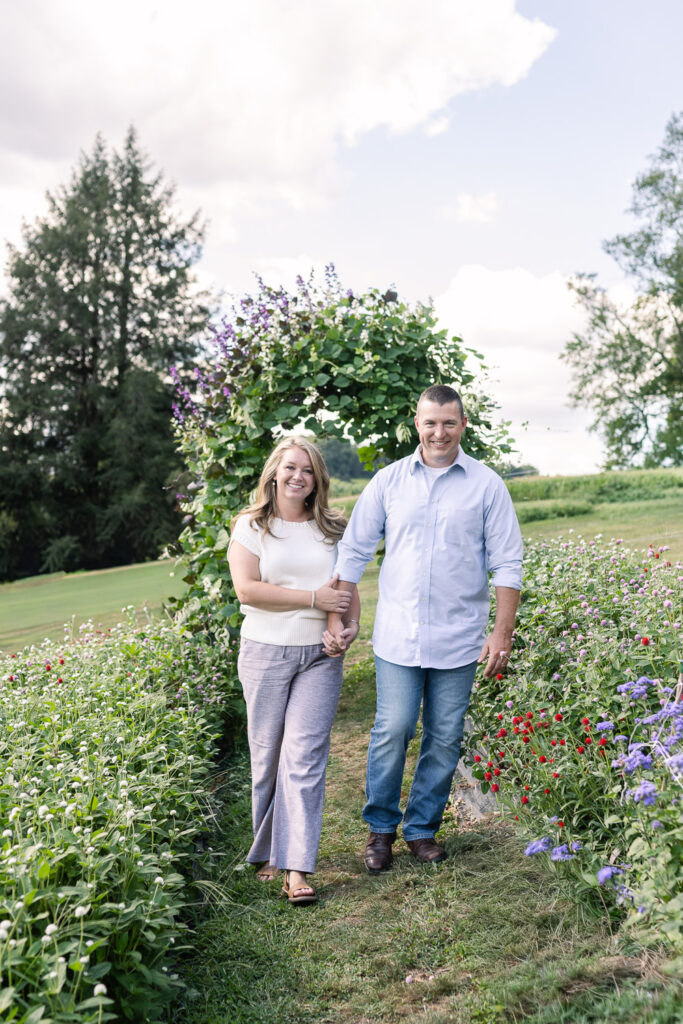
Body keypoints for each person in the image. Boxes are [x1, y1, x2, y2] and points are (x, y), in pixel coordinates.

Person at [325, 385, 523, 872]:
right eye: (430, 422)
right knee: (392, 729)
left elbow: (508, 563)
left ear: (463, 425)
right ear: (417, 423)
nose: (439, 432)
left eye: (449, 423)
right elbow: (352, 551)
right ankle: (380, 832)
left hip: (459, 639)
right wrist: (335, 613)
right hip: (398, 636)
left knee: (444, 735)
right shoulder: (389, 481)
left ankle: (421, 831)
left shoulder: (486, 485)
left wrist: (501, 633)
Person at [228, 436, 360, 904]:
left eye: (307, 469)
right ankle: (266, 851)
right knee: (267, 757)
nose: (297, 476)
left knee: (304, 759)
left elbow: (347, 593)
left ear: (317, 478)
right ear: (274, 473)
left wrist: (348, 631)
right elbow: (247, 590)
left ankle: (297, 868)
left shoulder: (333, 528)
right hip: (265, 652)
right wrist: (311, 599)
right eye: (289, 467)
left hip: (319, 659)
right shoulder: (251, 526)